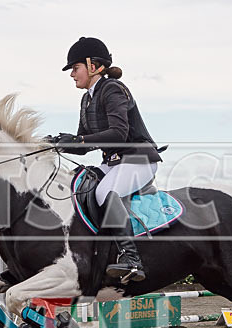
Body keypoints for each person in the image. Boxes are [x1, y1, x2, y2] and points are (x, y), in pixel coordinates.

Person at [55, 37, 162, 283]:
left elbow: (118, 133)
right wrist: (59, 144)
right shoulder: (87, 99)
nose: (72, 74)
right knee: (80, 188)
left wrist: (78, 140)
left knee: (106, 192)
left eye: (75, 68)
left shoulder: (112, 89)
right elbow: (85, 143)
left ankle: (131, 258)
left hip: (138, 159)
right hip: (114, 162)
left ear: (93, 66)